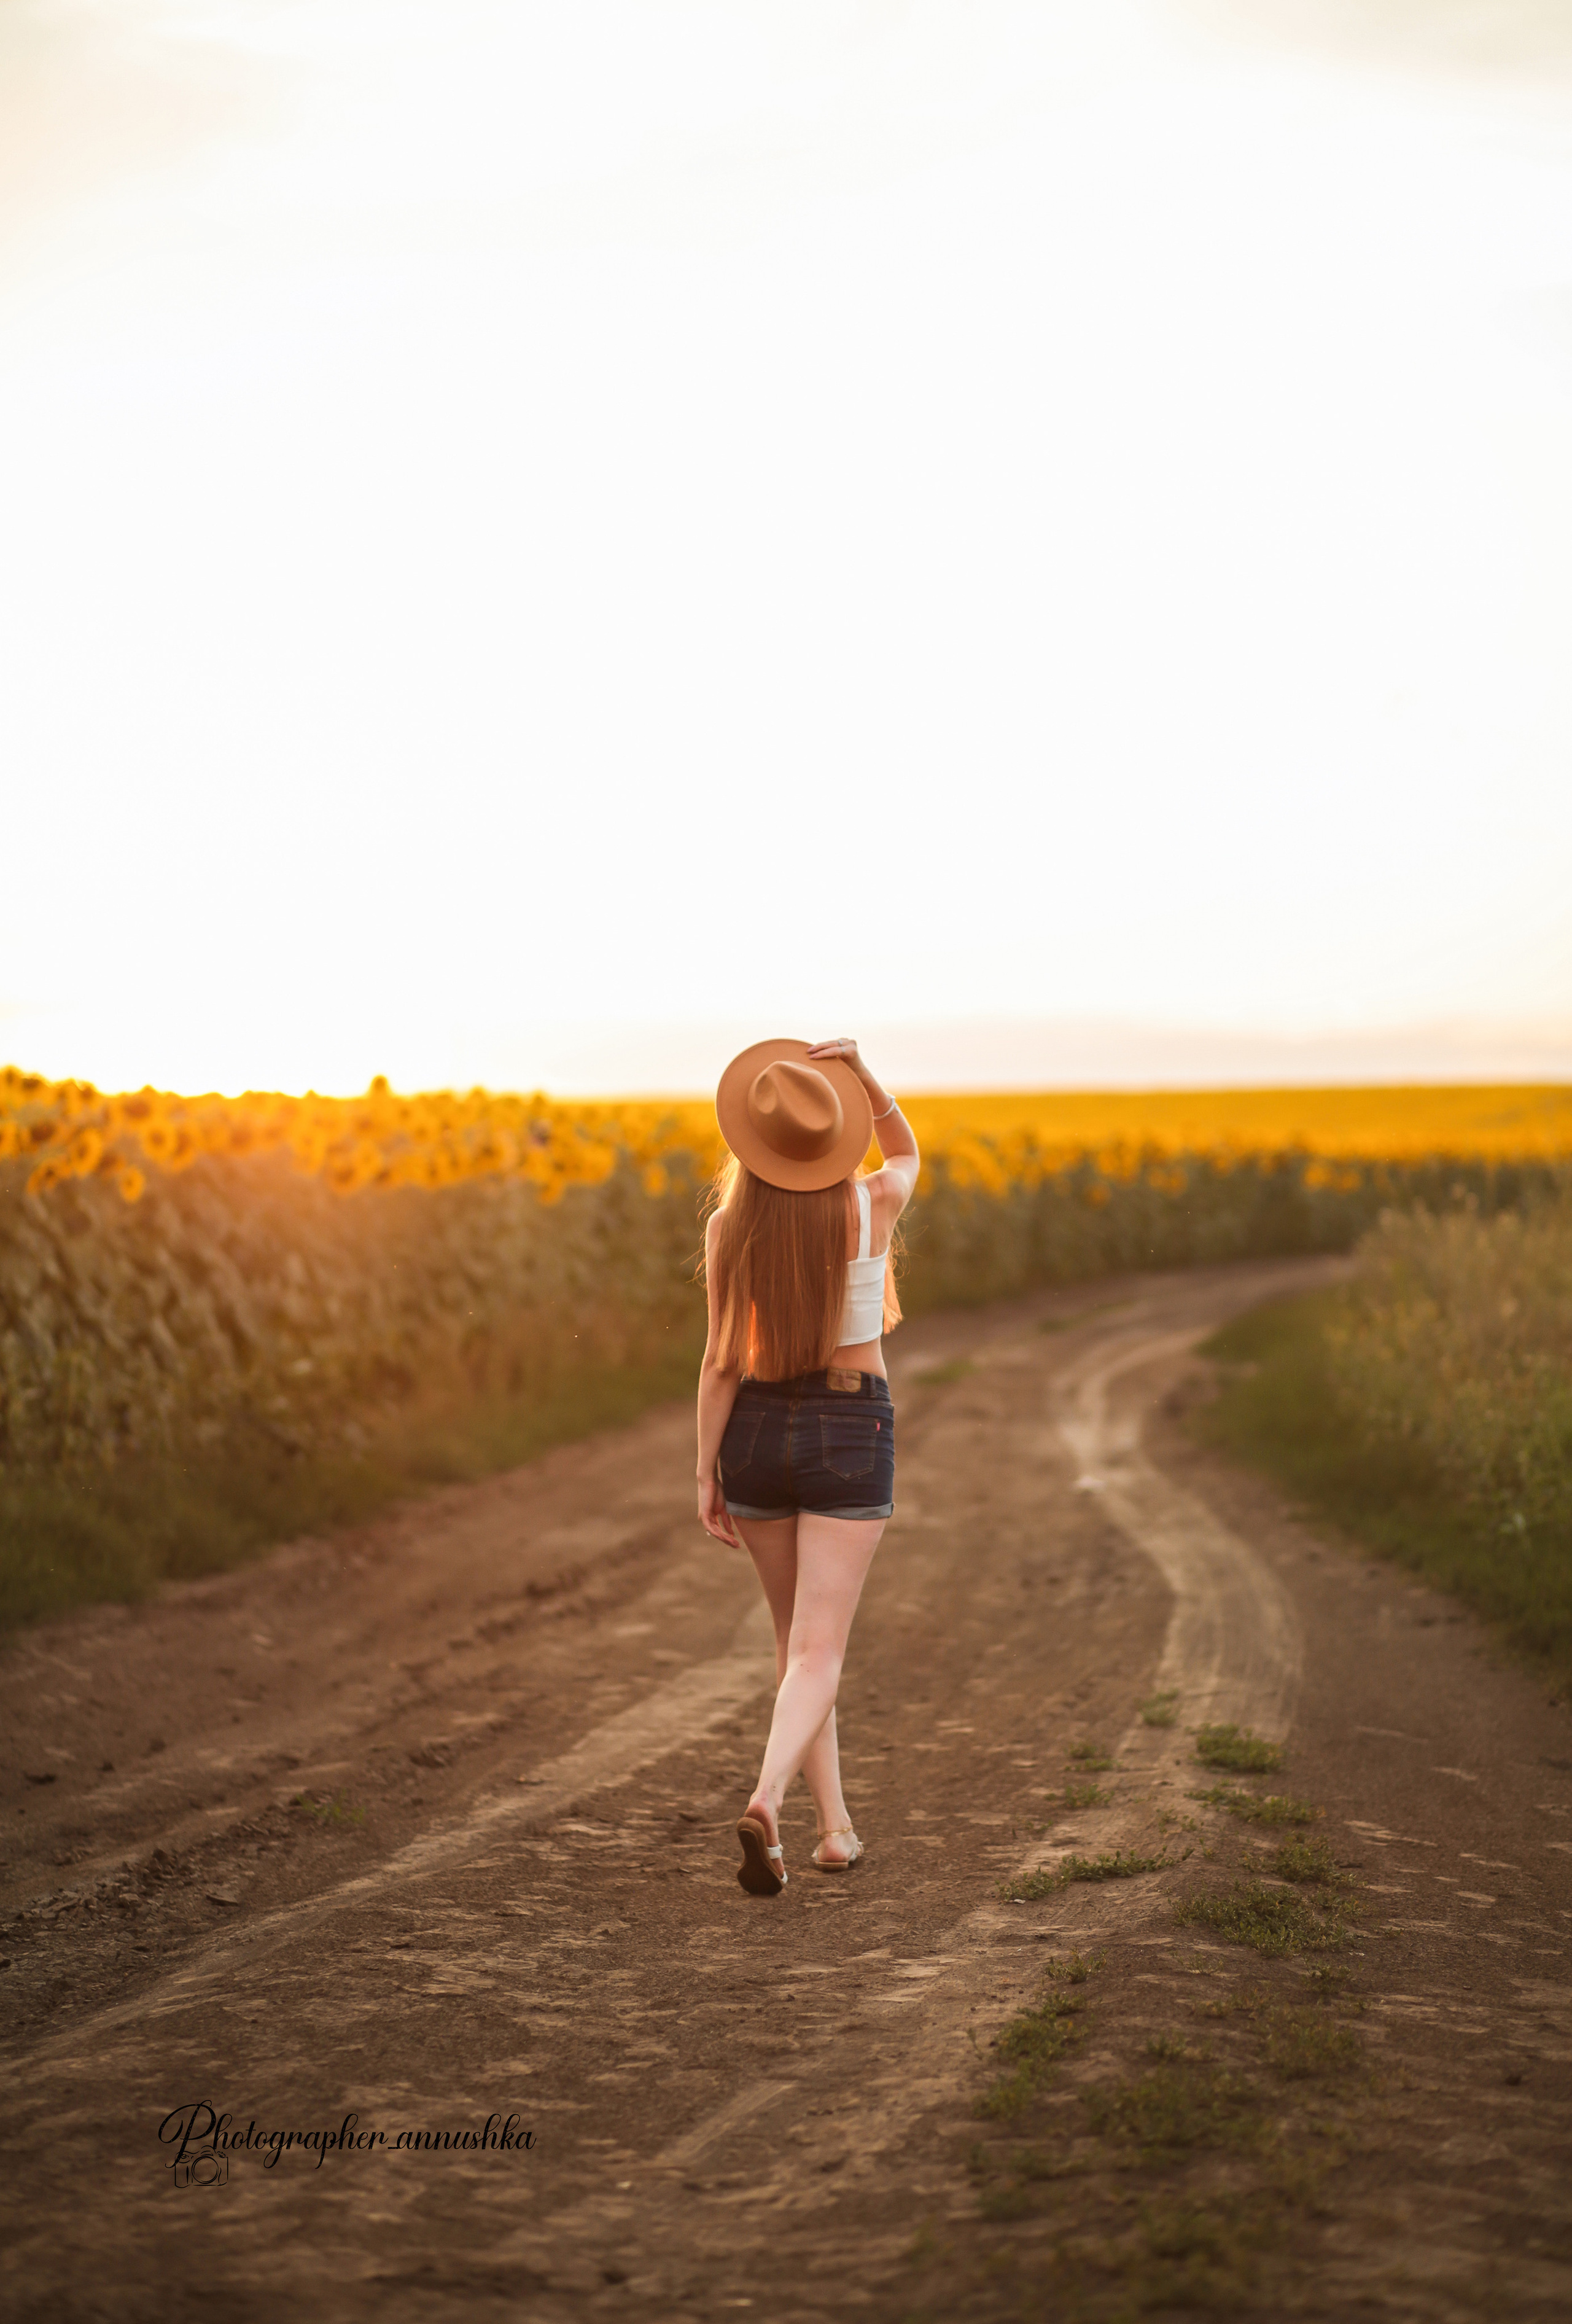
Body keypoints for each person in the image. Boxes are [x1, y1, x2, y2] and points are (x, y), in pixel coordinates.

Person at [696, 1035, 920, 1894]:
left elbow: (720, 1362)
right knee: (819, 1652)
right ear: (830, 1134)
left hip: (754, 1430)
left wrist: (705, 1470)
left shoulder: (729, 1226)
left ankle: (832, 1832)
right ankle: (765, 1801)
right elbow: (905, 1147)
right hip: (847, 1427)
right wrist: (863, 1075)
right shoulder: (871, 1204)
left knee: (795, 1651)